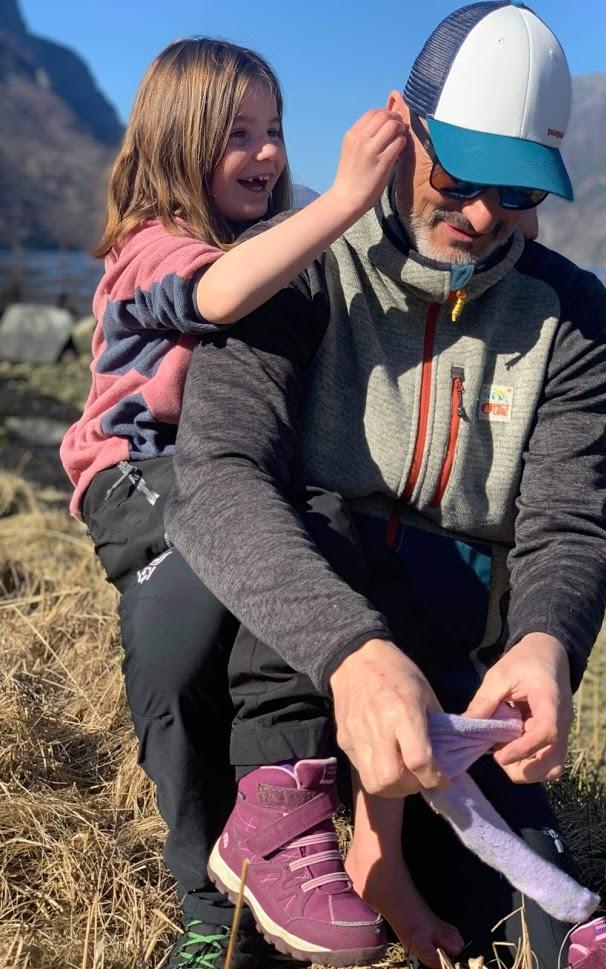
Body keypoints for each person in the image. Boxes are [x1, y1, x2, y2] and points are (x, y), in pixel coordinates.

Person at [165, 4, 606, 969]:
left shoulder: (575, 314)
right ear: (402, 126)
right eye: (459, 176)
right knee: (223, 583)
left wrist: (546, 643)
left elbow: (569, 523)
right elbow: (218, 473)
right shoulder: (296, 264)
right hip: (297, 636)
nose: (482, 214)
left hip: (456, 635)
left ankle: (557, 921)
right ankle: (234, 868)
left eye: (517, 189)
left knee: (513, 894)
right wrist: (352, 654)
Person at [59, 36, 411, 968]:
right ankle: (206, 909)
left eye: (275, 130)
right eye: (237, 134)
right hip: (141, 479)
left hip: (233, 479)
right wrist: (343, 199)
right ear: (179, 141)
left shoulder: (273, 246)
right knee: (173, 658)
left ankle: (278, 819)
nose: (267, 152)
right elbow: (216, 295)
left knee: (301, 550)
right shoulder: (149, 250)